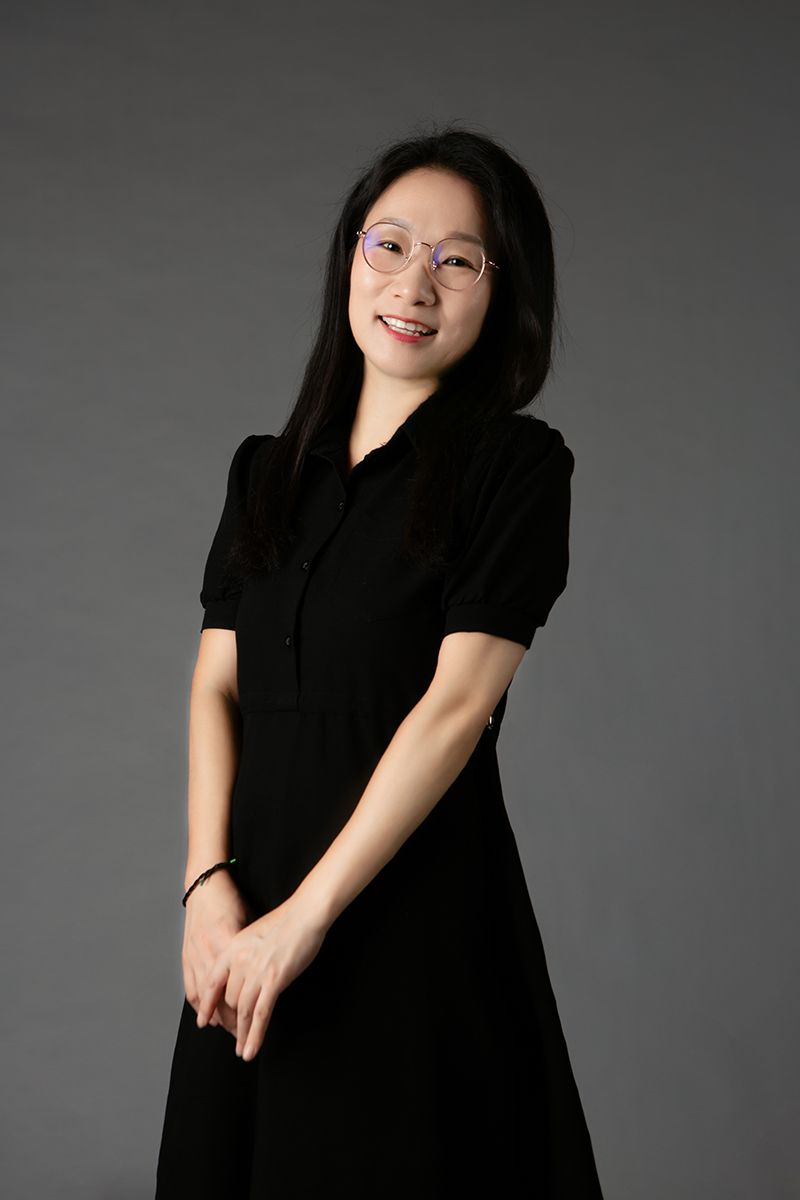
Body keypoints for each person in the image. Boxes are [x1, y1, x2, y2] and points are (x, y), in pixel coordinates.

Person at [155, 123, 605, 1198]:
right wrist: (206, 888)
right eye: (390, 244)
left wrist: (305, 922)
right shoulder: (264, 473)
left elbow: (456, 707)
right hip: (246, 922)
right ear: (349, 256)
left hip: (412, 926)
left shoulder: (515, 468)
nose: (415, 283)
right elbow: (216, 684)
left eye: (459, 259)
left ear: (502, 292)